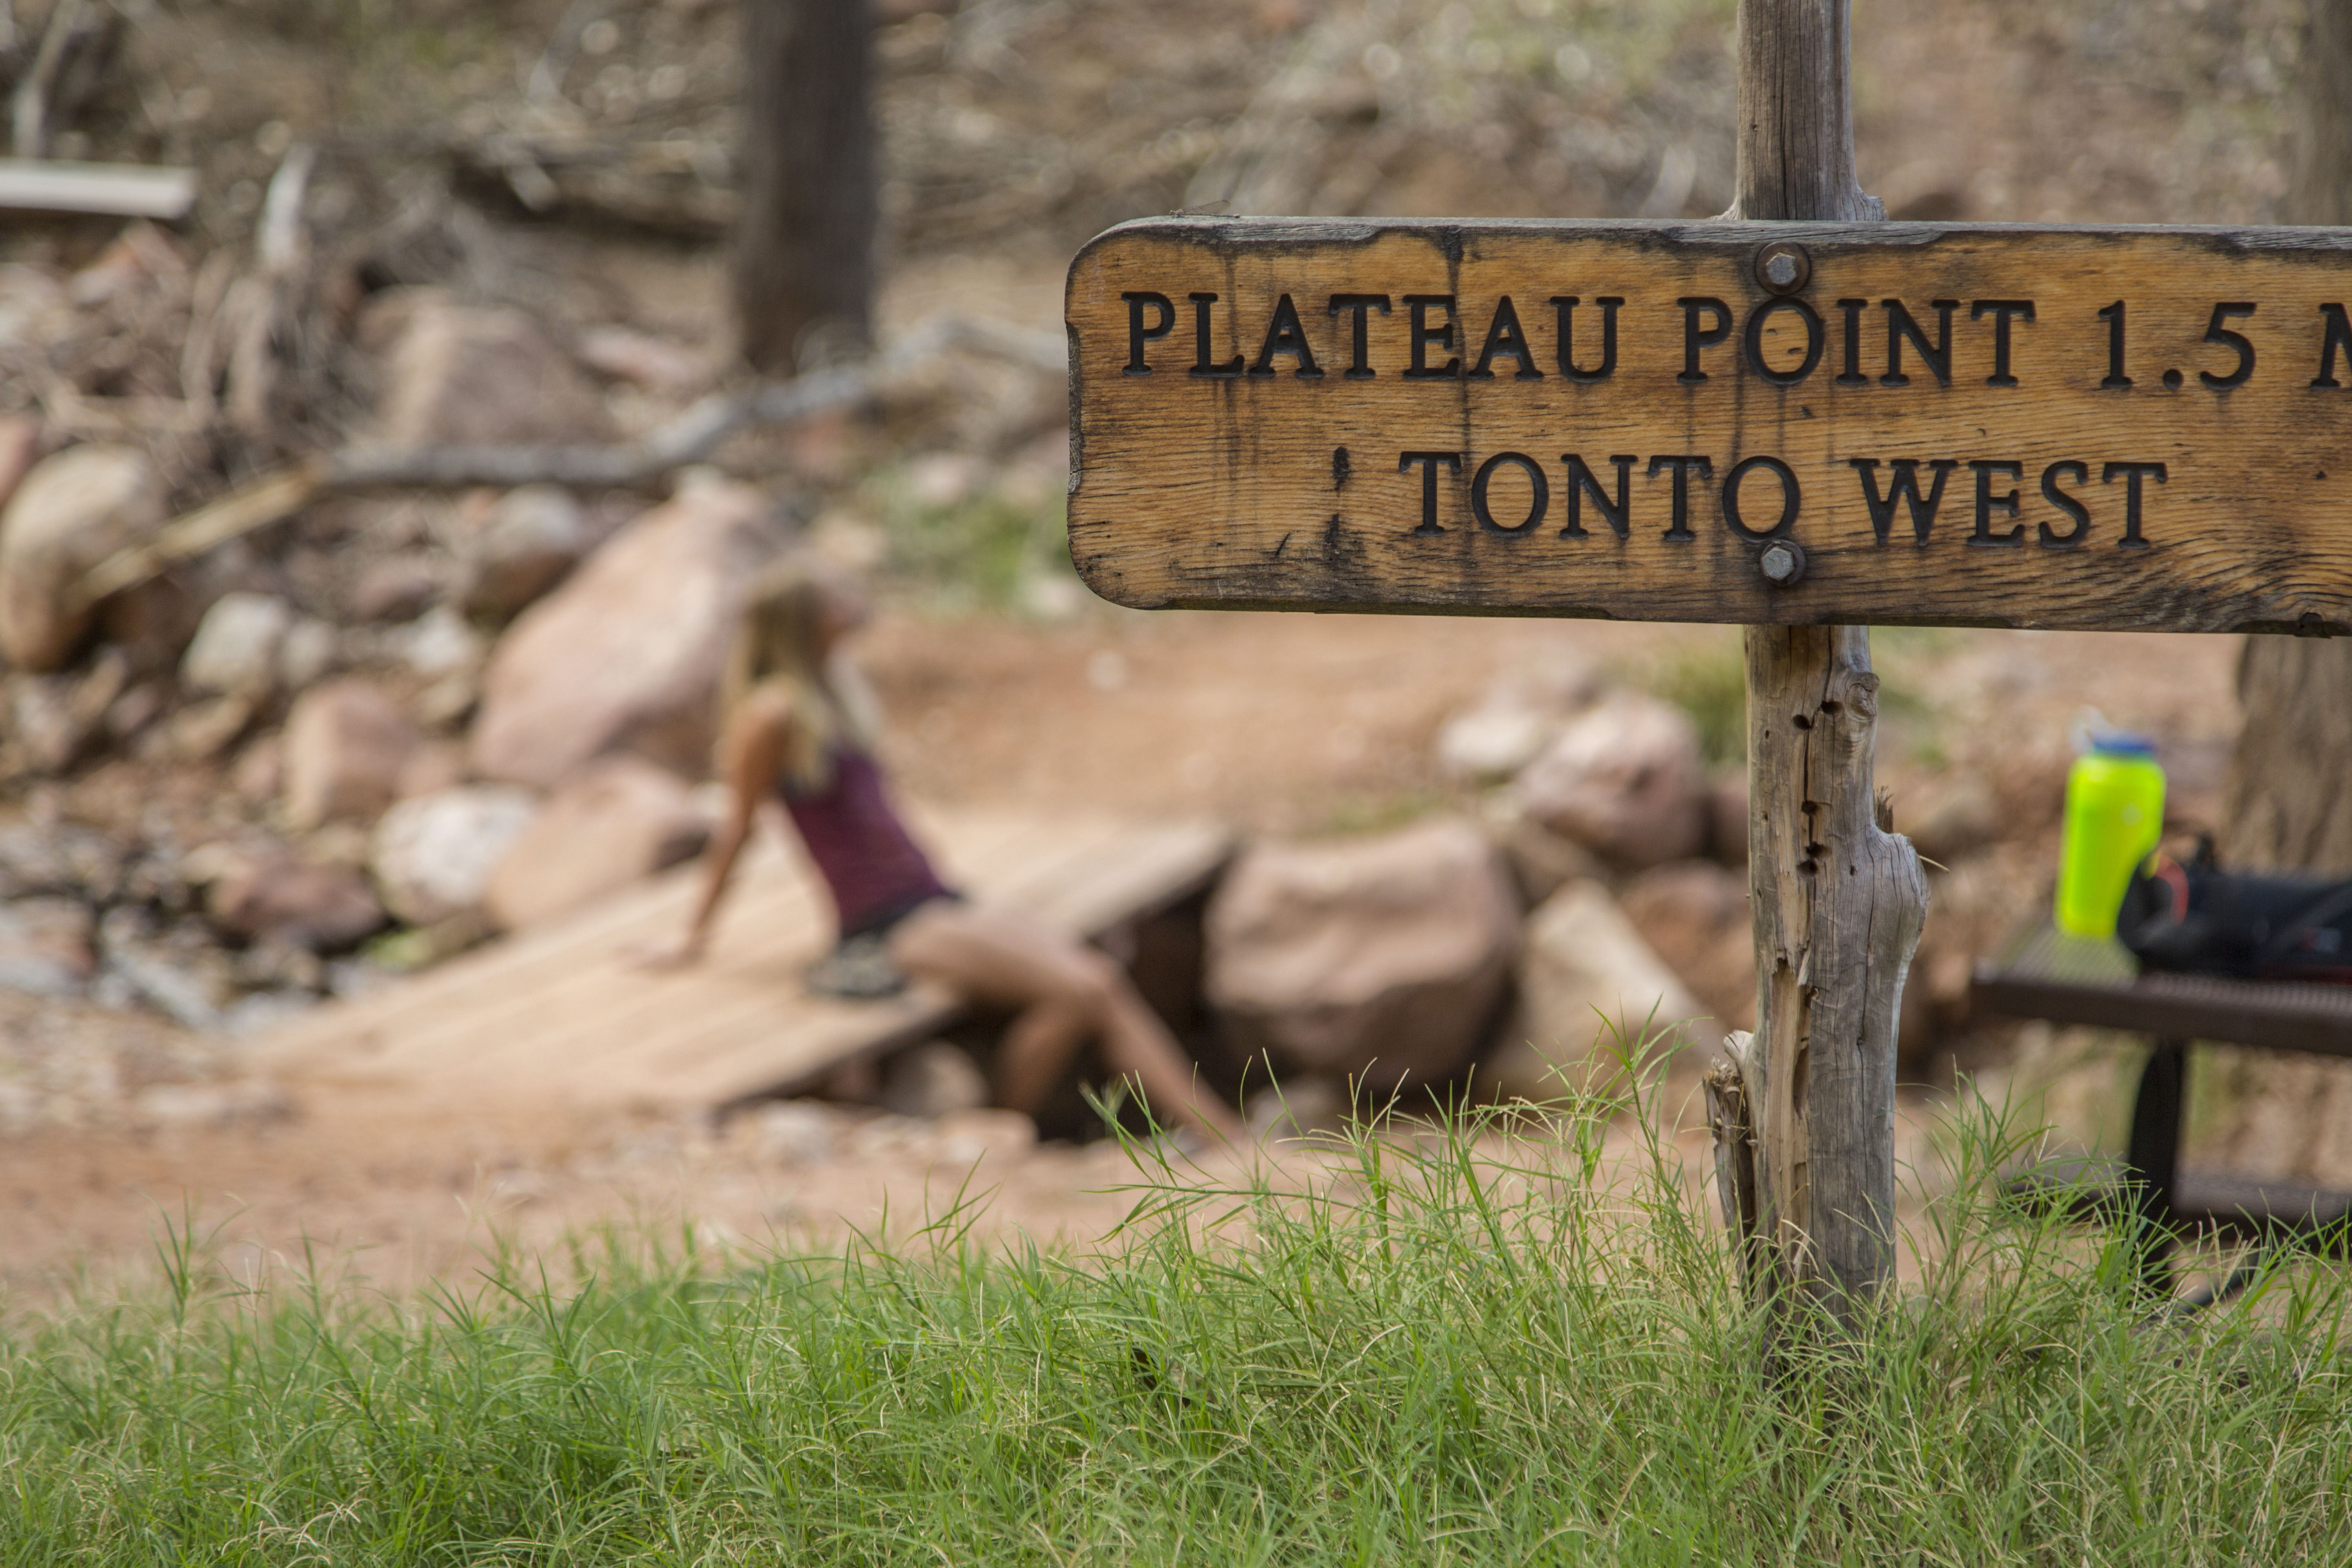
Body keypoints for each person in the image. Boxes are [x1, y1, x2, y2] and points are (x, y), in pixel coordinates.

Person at [641, 559, 1243, 1142]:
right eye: (834, 599)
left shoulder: (836, 690)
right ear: (804, 621)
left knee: (1097, 981)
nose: (852, 603)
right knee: (1084, 989)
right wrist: (693, 936)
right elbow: (738, 829)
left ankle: (1215, 1135)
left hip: (931, 895)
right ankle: (1006, 1125)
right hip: (889, 922)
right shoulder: (772, 715)